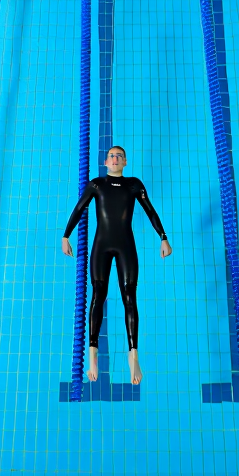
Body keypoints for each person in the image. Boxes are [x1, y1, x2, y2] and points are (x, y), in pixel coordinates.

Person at [62, 146, 171, 385]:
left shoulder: (134, 185)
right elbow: (79, 208)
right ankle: (93, 355)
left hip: (125, 247)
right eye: (111, 155)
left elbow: (150, 210)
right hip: (101, 246)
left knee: (129, 298)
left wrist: (163, 237)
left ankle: (133, 356)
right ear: (105, 161)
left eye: (119, 156)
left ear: (125, 162)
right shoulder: (96, 185)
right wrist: (65, 235)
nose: (115, 158)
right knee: (98, 295)